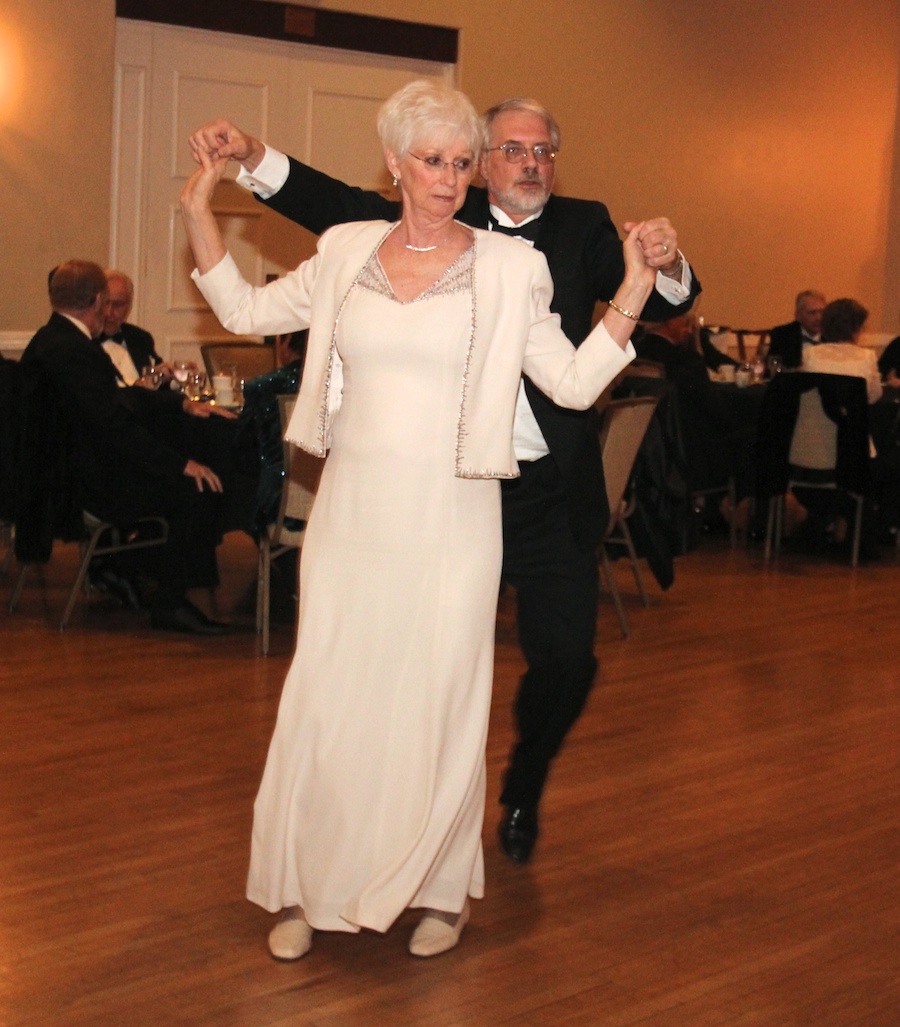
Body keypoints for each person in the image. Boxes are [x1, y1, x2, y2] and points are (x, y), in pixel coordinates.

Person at [182, 80, 656, 960]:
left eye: (461, 163)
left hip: (454, 515)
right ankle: (305, 882)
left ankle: (440, 892)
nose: (449, 179)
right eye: (432, 162)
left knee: (439, 698)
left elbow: (576, 382)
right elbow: (243, 311)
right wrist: (199, 204)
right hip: (352, 511)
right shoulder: (345, 248)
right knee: (330, 695)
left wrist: (631, 289)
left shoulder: (514, 268)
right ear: (396, 165)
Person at [21, 259, 234, 634]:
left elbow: (119, 400)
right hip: (79, 486)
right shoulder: (75, 351)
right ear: (99, 300)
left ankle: (124, 569)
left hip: (58, 473)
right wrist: (180, 464)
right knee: (198, 487)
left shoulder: (49, 341)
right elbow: (116, 425)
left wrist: (180, 403)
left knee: (186, 478)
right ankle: (168, 602)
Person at [96, 269, 172, 387]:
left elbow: (162, 386)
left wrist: (175, 377)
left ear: (129, 306)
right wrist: (143, 383)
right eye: (105, 303)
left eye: (118, 305)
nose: (108, 312)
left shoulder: (140, 338)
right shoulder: (84, 341)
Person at [767, 290, 826, 369]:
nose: (819, 318)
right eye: (812, 313)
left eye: (822, 312)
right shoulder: (783, 335)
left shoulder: (833, 335)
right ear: (798, 315)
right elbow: (772, 368)